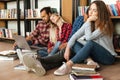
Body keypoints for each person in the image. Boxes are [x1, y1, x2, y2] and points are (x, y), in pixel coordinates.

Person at [54, 0, 117, 75]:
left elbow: (89, 38)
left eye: (94, 10)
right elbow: (75, 36)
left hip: (108, 57)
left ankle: (68, 65)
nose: (90, 12)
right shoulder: (89, 23)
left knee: (91, 43)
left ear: (100, 12)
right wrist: (68, 48)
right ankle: (89, 60)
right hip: (96, 55)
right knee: (74, 42)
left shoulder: (105, 25)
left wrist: (88, 21)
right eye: (90, 9)